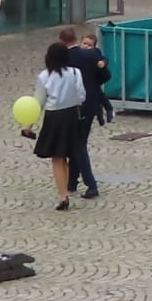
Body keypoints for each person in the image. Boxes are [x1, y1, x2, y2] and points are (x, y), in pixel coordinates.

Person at [31, 41, 87, 211]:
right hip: (71, 116)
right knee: (68, 155)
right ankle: (66, 191)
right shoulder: (75, 73)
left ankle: (62, 195)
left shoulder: (44, 76)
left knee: (57, 157)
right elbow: (81, 96)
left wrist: (29, 124)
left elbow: (38, 101)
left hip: (54, 117)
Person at [60, 27, 107, 200]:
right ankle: (72, 182)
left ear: (62, 41)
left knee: (78, 146)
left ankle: (91, 184)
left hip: (75, 107)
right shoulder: (92, 54)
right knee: (77, 144)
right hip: (91, 105)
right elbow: (105, 75)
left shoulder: (64, 58)